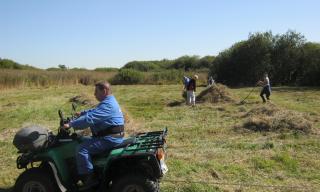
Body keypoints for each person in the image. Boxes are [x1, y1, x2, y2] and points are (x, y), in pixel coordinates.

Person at [63, 81, 124, 189]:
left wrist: (71, 124)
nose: (94, 94)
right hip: (111, 136)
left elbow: (90, 118)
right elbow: (95, 111)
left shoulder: (108, 104)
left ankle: (89, 180)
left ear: (104, 91)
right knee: (81, 139)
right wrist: (82, 113)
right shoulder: (109, 101)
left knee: (82, 149)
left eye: (96, 91)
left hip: (109, 138)